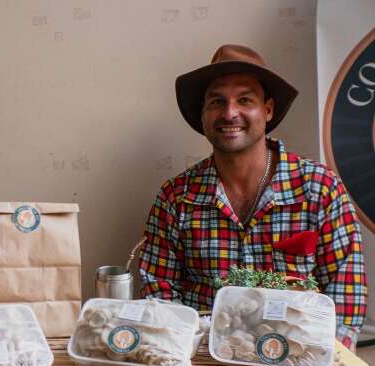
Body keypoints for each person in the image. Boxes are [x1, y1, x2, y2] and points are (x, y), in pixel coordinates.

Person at [138, 44, 367, 350]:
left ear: (268, 110)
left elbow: (346, 293)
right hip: (203, 365)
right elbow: (159, 290)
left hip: (299, 362)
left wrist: (324, 362)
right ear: (203, 115)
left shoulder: (320, 188)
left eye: (244, 99)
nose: (230, 113)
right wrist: (185, 351)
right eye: (217, 101)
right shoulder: (177, 197)